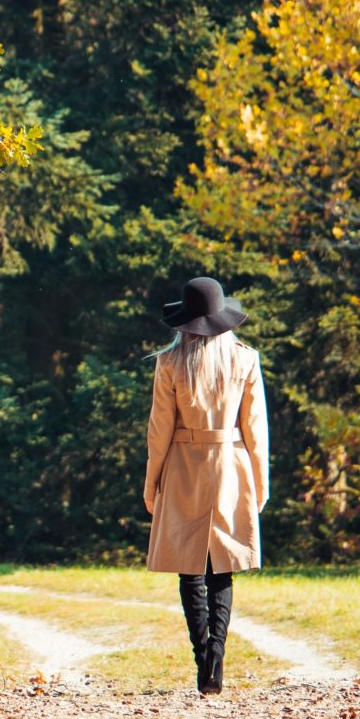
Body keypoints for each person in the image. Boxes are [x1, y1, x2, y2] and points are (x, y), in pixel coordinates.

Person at [143, 276, 270, 695]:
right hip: (231, 466)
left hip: (183, 466)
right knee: (222, 568)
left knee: (189, 568)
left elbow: (159, 431)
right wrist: (260, 481)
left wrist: (152, 482)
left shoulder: (169, 363)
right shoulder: (245, 359)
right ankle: (217, 654)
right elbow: (256, 429)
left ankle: (203, 658)